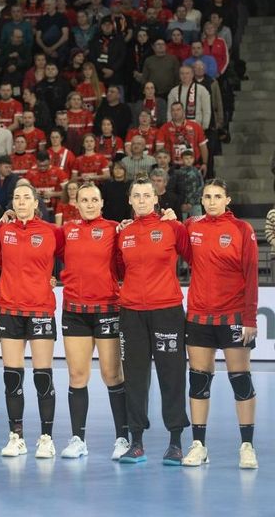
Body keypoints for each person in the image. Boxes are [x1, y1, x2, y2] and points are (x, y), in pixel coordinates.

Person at [181, 180, 259, 469]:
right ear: (201, 200)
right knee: (199, 380)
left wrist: (250, 318)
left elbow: (251, 275)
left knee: (241, 379)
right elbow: (171, 239)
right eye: (207, 197)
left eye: (217, 196)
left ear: (228, 199)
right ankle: (198, 445)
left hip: (234, 315)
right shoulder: (192, 226)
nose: (212, 201)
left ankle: (247, 446)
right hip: (198, 316)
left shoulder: (242, 230)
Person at [115, 176, 191, 465]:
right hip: (131, 313)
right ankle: (136, 442)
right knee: (134, 378)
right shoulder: (123, 232)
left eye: (147, 195)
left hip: (167, 311)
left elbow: (195, 255)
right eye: (137, 195)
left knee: (172, 376)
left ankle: (175, 443)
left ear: (156, 198)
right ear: (130, 200)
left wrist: (181, 220)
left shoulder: (172, 227)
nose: (142, 200)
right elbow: (117, 269)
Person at [57, 183, 130, 460]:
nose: (89, 204)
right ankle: (78, 439)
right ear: (76, 204)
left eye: (93, 200)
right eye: (84, 200)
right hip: (74, 310)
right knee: (77, 376)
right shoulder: (67, 230)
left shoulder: (114, 229)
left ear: (101, 204)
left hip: (107, 308)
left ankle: (122, 438)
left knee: (112, 375)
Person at [0, 181, 64, 458]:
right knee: (12, 377)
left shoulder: (52, 232)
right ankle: (17, 437)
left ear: (36, 203)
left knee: (42, 376)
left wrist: (57, 277)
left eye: (27, 197)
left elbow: (74, 257)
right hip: (10, 310)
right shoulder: (3, 230)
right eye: (17, 197)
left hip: (40, 309)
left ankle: (46, 438)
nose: (21, 201)